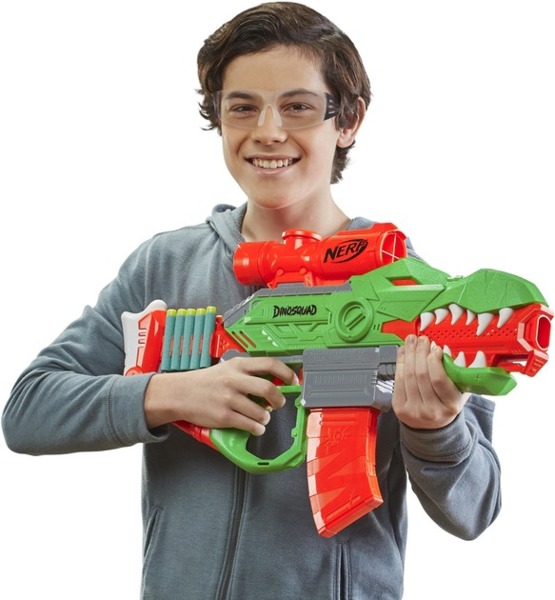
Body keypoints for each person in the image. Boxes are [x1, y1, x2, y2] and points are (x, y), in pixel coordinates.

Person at [2, 2, 501, 599]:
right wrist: (173, 395)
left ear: (347, 121)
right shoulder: (163, 267)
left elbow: (475, 510)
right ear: (218, 118)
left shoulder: (419, 296)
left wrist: (437, 428)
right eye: (242, 107)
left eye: (298, 106)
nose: (268, 131)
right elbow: (28, 410)